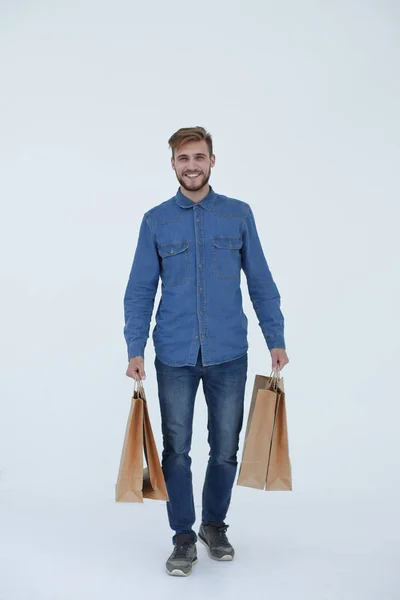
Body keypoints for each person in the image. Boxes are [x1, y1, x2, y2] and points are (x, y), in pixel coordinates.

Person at [123, 126, 289, 577]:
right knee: (176, 451)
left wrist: (275, 338)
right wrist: (134, 348)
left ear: (212, 161)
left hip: (229, 354)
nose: (191, 165)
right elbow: (140, 291)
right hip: (173, 355)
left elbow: (261, 281)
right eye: (183, 158)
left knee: (225, 450)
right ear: (173, 164)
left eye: (199, 157)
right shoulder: (156, 221)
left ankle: (213, 525)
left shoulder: (238, 215)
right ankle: (182, 536)